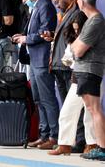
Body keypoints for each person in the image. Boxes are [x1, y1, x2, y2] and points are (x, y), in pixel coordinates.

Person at [12, 0, 59, 150]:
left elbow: (45, 32)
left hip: (42, 58)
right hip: (34, 59)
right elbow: (35, 31)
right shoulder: (37, 7)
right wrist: (23, 35)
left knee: (47, 98)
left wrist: (27, 39)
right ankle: (44, 134)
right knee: (38, 98)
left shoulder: (45, 6)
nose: (24, 1)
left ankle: (54, 136)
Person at [49, 12, 98, 156]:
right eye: (75, 29)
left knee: (89, 114)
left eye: (79, 29)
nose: (76, 32)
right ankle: (64, 144)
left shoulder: (93, 37)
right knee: (67, 111)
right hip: (77, 77)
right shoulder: (75, 39)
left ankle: (92, 144)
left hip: (91, 76)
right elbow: (68, 56)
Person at [69, 0, 105, 161]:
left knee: (94, 110)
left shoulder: (95, 21)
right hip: (86, 70)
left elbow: (78, 49)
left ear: (81, 2)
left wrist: (75, 48)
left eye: (77, 0)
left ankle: (102, 147)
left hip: (89, 70)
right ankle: (100, 146)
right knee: (92, 110)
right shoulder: (92, 20)